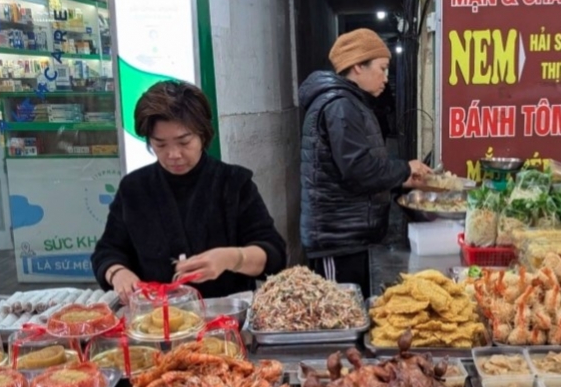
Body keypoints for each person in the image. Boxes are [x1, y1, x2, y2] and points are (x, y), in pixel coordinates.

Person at [92, 80, 287, 302]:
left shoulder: (234, 183)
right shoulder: (134, 188)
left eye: (184, 142)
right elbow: (107, 251)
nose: (173, 154)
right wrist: (117, 272)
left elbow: (275, 254)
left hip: (225, 316)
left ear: (202, 135)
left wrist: (233, 258)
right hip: (156, 317)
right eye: (160, 144)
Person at [298, 29, 431, 296]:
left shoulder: (352, 103)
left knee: (357, 312)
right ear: (358, 66)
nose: (386, 77)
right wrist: (406, 168)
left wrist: (399, 180)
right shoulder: (340, 106)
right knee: (340, 320)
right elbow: (358, 169)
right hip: (336, 241)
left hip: (351, 238)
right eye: (382, 68)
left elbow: (361, 166)